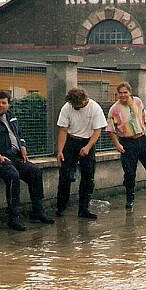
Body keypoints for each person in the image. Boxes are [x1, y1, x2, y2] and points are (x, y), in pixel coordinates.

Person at [0, 90, 54, 231]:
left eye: (4, 103)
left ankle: (37, 211)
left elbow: (19, 135)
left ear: (8, 104)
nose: (1, 105)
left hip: (14, 156)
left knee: (35, 172)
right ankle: (13, 218)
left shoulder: (11, 116)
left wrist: (22, 147)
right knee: (13, 176)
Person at [55, 87, 107, 219]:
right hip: (71, 141)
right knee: (65, 175)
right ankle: (61, 207)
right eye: (73, 105)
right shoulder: (67, 107)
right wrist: (60, 151)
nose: (75, 107)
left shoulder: (95, 108)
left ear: (84, 100)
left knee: (88, 177)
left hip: (87, 140)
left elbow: (97, 130)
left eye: (78, 105)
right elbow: (63, 130)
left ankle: (83, 209)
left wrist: (88, 147)